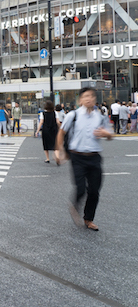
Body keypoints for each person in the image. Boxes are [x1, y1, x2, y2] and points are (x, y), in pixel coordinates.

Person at [56, 87, 113, 231]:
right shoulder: (73, 115)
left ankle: (88, 219)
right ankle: (75, 204)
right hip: (77, 157)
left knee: (94, 191)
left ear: (95, 99)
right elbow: (61, 133)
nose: (89, 99)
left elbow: (110, 136)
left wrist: (107, 134)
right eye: (86, 96)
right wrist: (59, 151)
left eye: (92, 96)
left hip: (94, 157)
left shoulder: (100, 117)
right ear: (80, 99)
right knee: (81, 189)